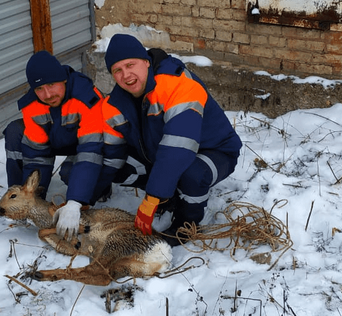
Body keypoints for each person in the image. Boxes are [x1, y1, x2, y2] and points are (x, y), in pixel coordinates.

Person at [92, 34, 242, 246]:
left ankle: (186, 224)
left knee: (192, 174)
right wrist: (83, 199)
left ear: (146, 62)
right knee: (120, 167)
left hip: (215, 151)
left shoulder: (177, 84)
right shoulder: (113, 105)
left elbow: (178, 149)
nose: (126, 75)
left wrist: (151, 198)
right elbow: (111, 158)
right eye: (117, 70)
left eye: (130, 64)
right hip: (163, 153)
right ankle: (169, 197)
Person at [3, 50, 104, 239]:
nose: (47, 94)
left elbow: (91, 150)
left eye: (51, 85)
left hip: (84, 143)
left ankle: (98, 189)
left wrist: (75, 201)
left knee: (70, 173)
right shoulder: (32, 105)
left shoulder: (86, 96)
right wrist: (32, 198)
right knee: (15, 131)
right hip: (53, 140)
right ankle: (18, 203)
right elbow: (36, 155)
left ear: (63, 80)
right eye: (39, 89)